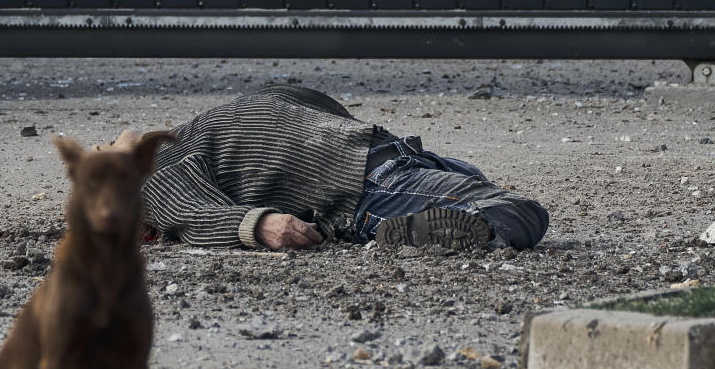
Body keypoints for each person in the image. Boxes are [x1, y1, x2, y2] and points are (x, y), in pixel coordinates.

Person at [138, 85, 548, 251]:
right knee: (523, 214)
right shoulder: (149, 168)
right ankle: (422, 230)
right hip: (368, 179)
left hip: (379, 164)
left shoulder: (175, 146)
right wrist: (261, 225)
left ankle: (432, 220)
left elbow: (184, 210)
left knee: (471, 179)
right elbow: (189, 210)